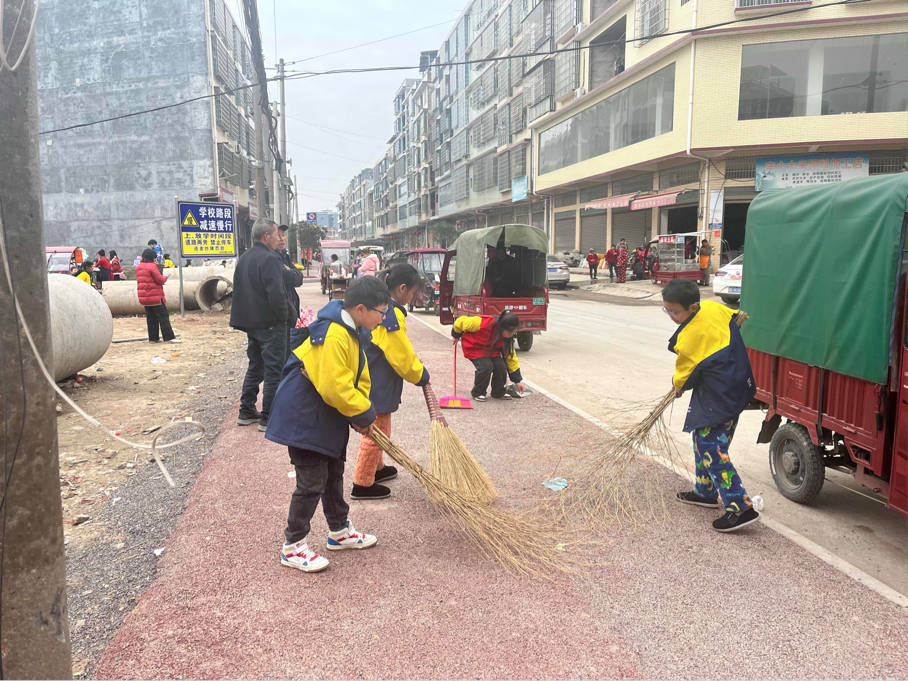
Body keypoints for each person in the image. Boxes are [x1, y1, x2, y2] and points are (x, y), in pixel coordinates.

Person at [265, 277, 391, 573]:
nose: (383, 319)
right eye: (380, 312)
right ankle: (293, 546)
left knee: (333, 473)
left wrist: (362, 411)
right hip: (305, 418)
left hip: (324, 417)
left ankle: (339, 530)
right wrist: (363, 414)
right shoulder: (333, 334)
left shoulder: (352, 331)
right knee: (310, 483)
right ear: (361, 308)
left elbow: (355, 379)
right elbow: (335, 386)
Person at [662, 278, 758, 533]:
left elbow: (683, 373)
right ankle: (704, 492)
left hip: (720, 394)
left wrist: (677, 385)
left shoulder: (691, 335)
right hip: (737, 386)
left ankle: (740, 507)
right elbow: (735, 314)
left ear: (692, 308)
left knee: (710, 446)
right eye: (667, 310)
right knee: (703, 438)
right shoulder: (713, 308)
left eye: (674, 311)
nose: (671, 315)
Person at [354, 265, 430, 500]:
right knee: (377, 431)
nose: (413, 297)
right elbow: (399, 354)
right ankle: (362, 483)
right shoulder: (390, 314)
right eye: (413, 292)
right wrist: (419, 374)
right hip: (378, 380)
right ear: (402, 288)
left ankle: (377, 469)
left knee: (378, 426)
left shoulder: (378, 305)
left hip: (373, 375)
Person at [229, 218, 288, 432]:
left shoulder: (244, 258)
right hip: (270, 324)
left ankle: (246, 410)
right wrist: (283, 317)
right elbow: (277, 294)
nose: (278, 237)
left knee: (256, 365)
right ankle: (268, 416)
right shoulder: (269, 259)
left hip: (251, 323)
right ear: (266, 236)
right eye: (275, 234)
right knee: (274, 370)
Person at [452, 310, 526, 402]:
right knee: (486, 366)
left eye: (513, 333)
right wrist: (456, 335)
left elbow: (511, 358)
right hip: (473, 348)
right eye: (510, 333)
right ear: (503, 328)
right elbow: (460, 321)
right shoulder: (481, 323)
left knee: (501, 366)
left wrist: (517, 380)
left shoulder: (507, 339)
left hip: (491, 350)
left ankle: (498, 392)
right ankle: (478, 392)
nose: (511, 335)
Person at [136, 248, 179, 343]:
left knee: (151, 318)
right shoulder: (152, 266)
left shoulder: (138, 266)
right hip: (155, 297)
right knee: (163, 316)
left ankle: (153, 338)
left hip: (144, 297)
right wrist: (165, 277)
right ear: (152, 257)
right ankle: (169, 337)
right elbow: (159, 280)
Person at [275, 224, 304, 355]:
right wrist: (291, 272)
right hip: (281, 313)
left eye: (283, 235)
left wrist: (292, 271)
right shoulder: (272, 258)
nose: (282, 239)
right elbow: (290, 278)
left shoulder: (284, 256)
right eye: (278, 235)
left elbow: (298, 278)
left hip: (290, 310)